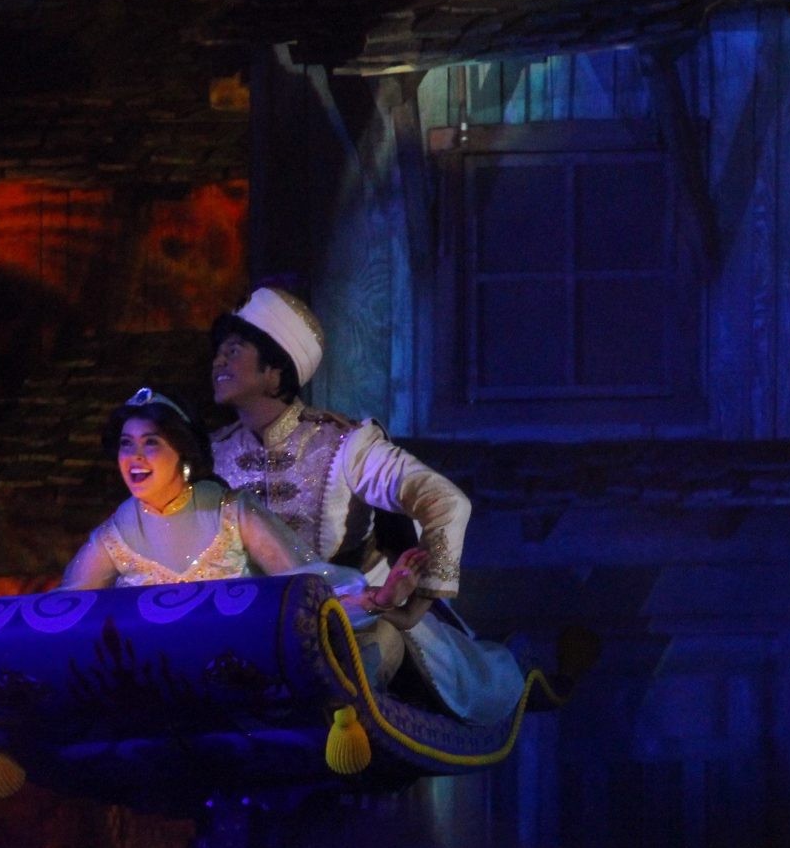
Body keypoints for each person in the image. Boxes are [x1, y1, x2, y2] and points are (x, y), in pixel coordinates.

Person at [208, 287, 522, 724]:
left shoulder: (345, 445)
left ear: (275, 372)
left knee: (369, 660)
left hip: (356, 616)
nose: (218, 362)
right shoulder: (210, 455)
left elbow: (445, 501)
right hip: (248, 629)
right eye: (219, 352)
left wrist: (415, 605)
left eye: (234, 351)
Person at [57, 389, 424, 674]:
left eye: (150, 442)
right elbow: (60, 616)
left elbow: (306, 591)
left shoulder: (232, 512)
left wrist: (378, 599)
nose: (134, 457)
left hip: (243, 679)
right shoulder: (113, 536)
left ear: (182, 451)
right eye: (126, 444)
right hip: (156, 690)